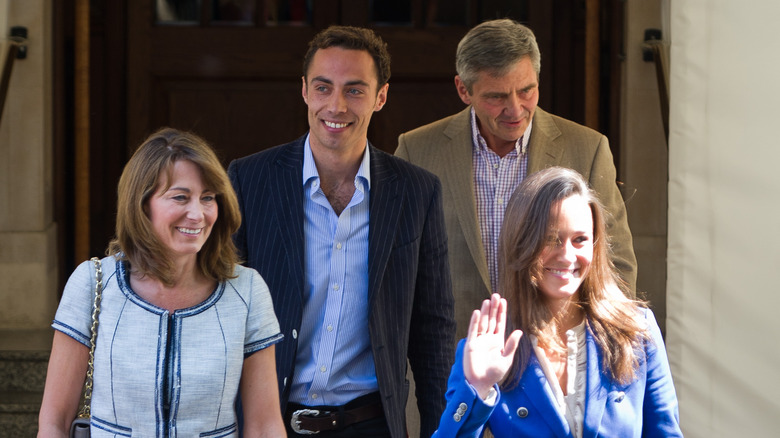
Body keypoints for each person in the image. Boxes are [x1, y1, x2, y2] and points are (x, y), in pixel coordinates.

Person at [227, 25, 455, 437]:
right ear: (304, 91)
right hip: (269, 421)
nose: (336, 106)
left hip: (369, 424)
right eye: (323, 87)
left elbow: (433, 329)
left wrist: (438, 432)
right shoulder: (249, 179)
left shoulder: (417, 191)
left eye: (354, 90)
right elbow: (220, 310)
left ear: (380, 96)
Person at [395, 18, 638, 340]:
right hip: (448, 365)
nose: (515, 109)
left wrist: (602, 352)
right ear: (463, 90)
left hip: (557, 358)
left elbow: (615, 262)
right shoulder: (417, 150)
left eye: (526, 91)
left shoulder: (588, 149)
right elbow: (394, 266)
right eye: (496, 97)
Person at [38, 128, 285, 437]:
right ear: (143, 206)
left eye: (207, 198)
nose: (197, 214)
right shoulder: (93, 284)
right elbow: (54, 424)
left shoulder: (247, 291)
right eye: (180, 197)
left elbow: (264, 426)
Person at [432, 167, 681, 437]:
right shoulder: (491, 347)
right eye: (551, 239)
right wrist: (477, 388)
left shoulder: (636, 330)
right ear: (521, 242)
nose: (567, 256)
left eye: (580, 240)